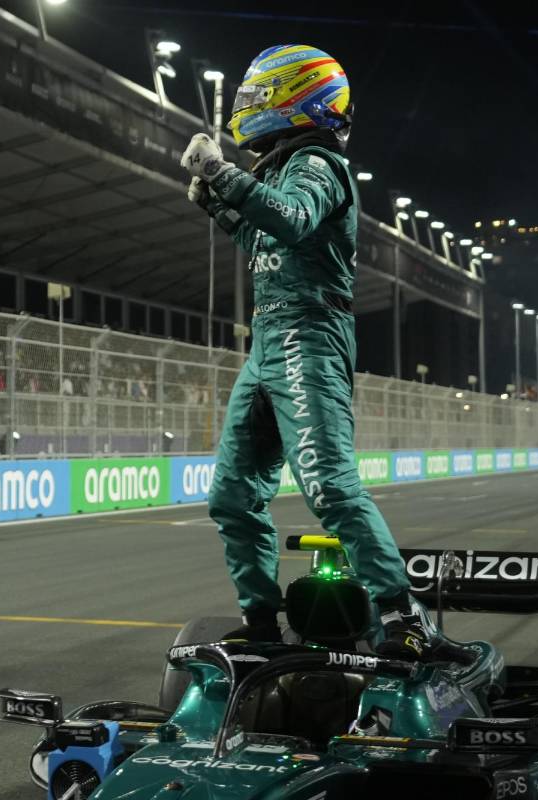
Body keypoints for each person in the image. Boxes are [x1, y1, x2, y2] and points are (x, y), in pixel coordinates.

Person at [179, 45, 424, 659]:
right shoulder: (285, 166)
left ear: (297, 98)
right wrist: (218, 206)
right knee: (231, 497)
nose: (247, 107)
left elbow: (289, 220)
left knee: (329, 487)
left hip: (309, 335)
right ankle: (261, 622)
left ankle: (402, 616)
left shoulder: (317, 162)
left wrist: (222, 175)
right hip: (269, 339)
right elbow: (266, 237)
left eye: (257, 96)